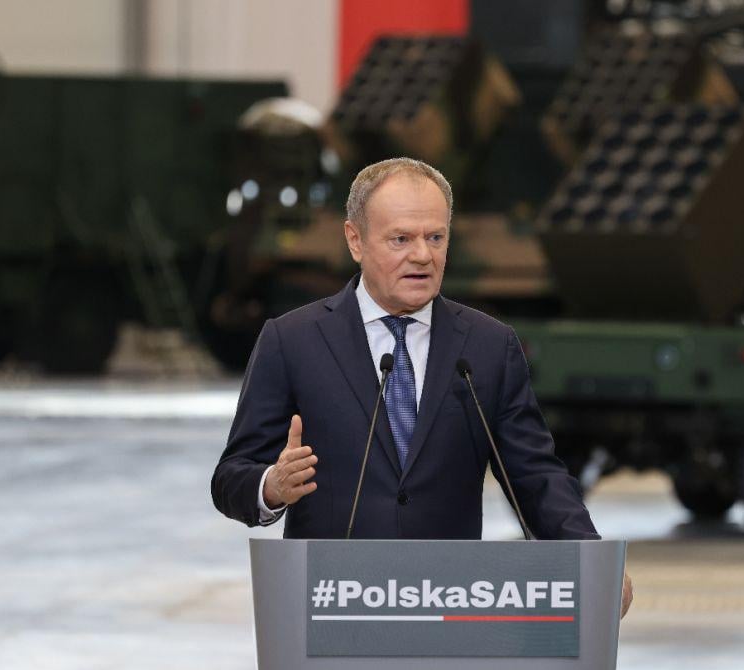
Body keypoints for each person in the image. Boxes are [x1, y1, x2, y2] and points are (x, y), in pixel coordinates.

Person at [211, 157, 631, 615]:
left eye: (435, 237)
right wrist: (271, 485)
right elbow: (231, 478)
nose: (422, 256)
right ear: (355, 240)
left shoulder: (489, 346)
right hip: (331, 608)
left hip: (447, 607)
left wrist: (593, 562)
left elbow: (535, 477)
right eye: (401, 239)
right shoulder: (292, 340)